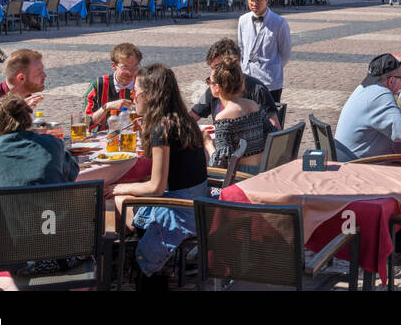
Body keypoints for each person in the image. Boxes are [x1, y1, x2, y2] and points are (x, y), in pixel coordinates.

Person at [112, 64, 209, 284]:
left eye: (135, 91)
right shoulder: (184, 122)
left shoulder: (162, 130)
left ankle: (136, 260)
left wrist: (119, 188)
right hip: (197, 205)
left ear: (148, 95)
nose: (133, 96)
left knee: (118, 199)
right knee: (127, 195)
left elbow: (156, 186)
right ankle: (143, 257)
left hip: (181, 212)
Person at [0, 93, 78, 226]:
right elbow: (71, 173)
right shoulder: (53, 144)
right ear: (28, 122)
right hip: (56, 236)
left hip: (3, 243)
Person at [333, 54, 401, 160]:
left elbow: (392, 123)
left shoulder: (365, 88)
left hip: (348, 157)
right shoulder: (381, 94)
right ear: (391, 81)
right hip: (359, 164)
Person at [191, 39, 281, 128]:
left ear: (236, 63)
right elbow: (192, 116)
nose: (214, 73)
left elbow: (275, 130)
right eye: (212, 68)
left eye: (219, 67)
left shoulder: (257, 89)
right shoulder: (214, 88)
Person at [202, 58, 268, 168]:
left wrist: (208, 144)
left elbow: (220, 164)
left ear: (217, 87)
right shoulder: (254, 105)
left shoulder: (223, 118)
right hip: (261, 170)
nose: (208, 84)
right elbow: (273, 134)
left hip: (240, 177)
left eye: (209, 81)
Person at [238, 0, 292, 103]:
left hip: (270, 81)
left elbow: (285, 53)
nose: (254, 4)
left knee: (270, 117)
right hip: (247, 78)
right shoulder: (243, 20)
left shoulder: (279, 22)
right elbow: (241, 47)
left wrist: (271, 67)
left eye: (258, 0)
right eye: (251, 0)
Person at [84, 43, 142, 129]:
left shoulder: (144, 85)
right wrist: (106, 107)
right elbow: (86, 123)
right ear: (114, 66)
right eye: (125, 67)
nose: (130, 73)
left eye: (134, 67)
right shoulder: (99, 85)